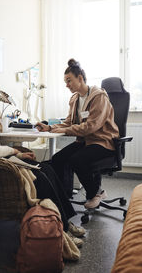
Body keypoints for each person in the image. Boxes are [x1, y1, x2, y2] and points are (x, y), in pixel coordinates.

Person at [0, 74, 85, 246]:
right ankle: (62, 229)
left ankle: (66, 221)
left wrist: (18, 155)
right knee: (41, 177)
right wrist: (14, 151)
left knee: (47, 169)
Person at [36, 58, 119, 209]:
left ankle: (95, 193)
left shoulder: (98, 96)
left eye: (69, 81)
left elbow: (91, 126)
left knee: (77, 160)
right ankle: (63, 197)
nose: (66, 85)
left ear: (80, 78)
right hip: (86, 142)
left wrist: (65, 130)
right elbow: (69, 122)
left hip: (103, 142)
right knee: (58, 159)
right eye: (65, 82)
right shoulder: (75, 99)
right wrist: (49, 127)